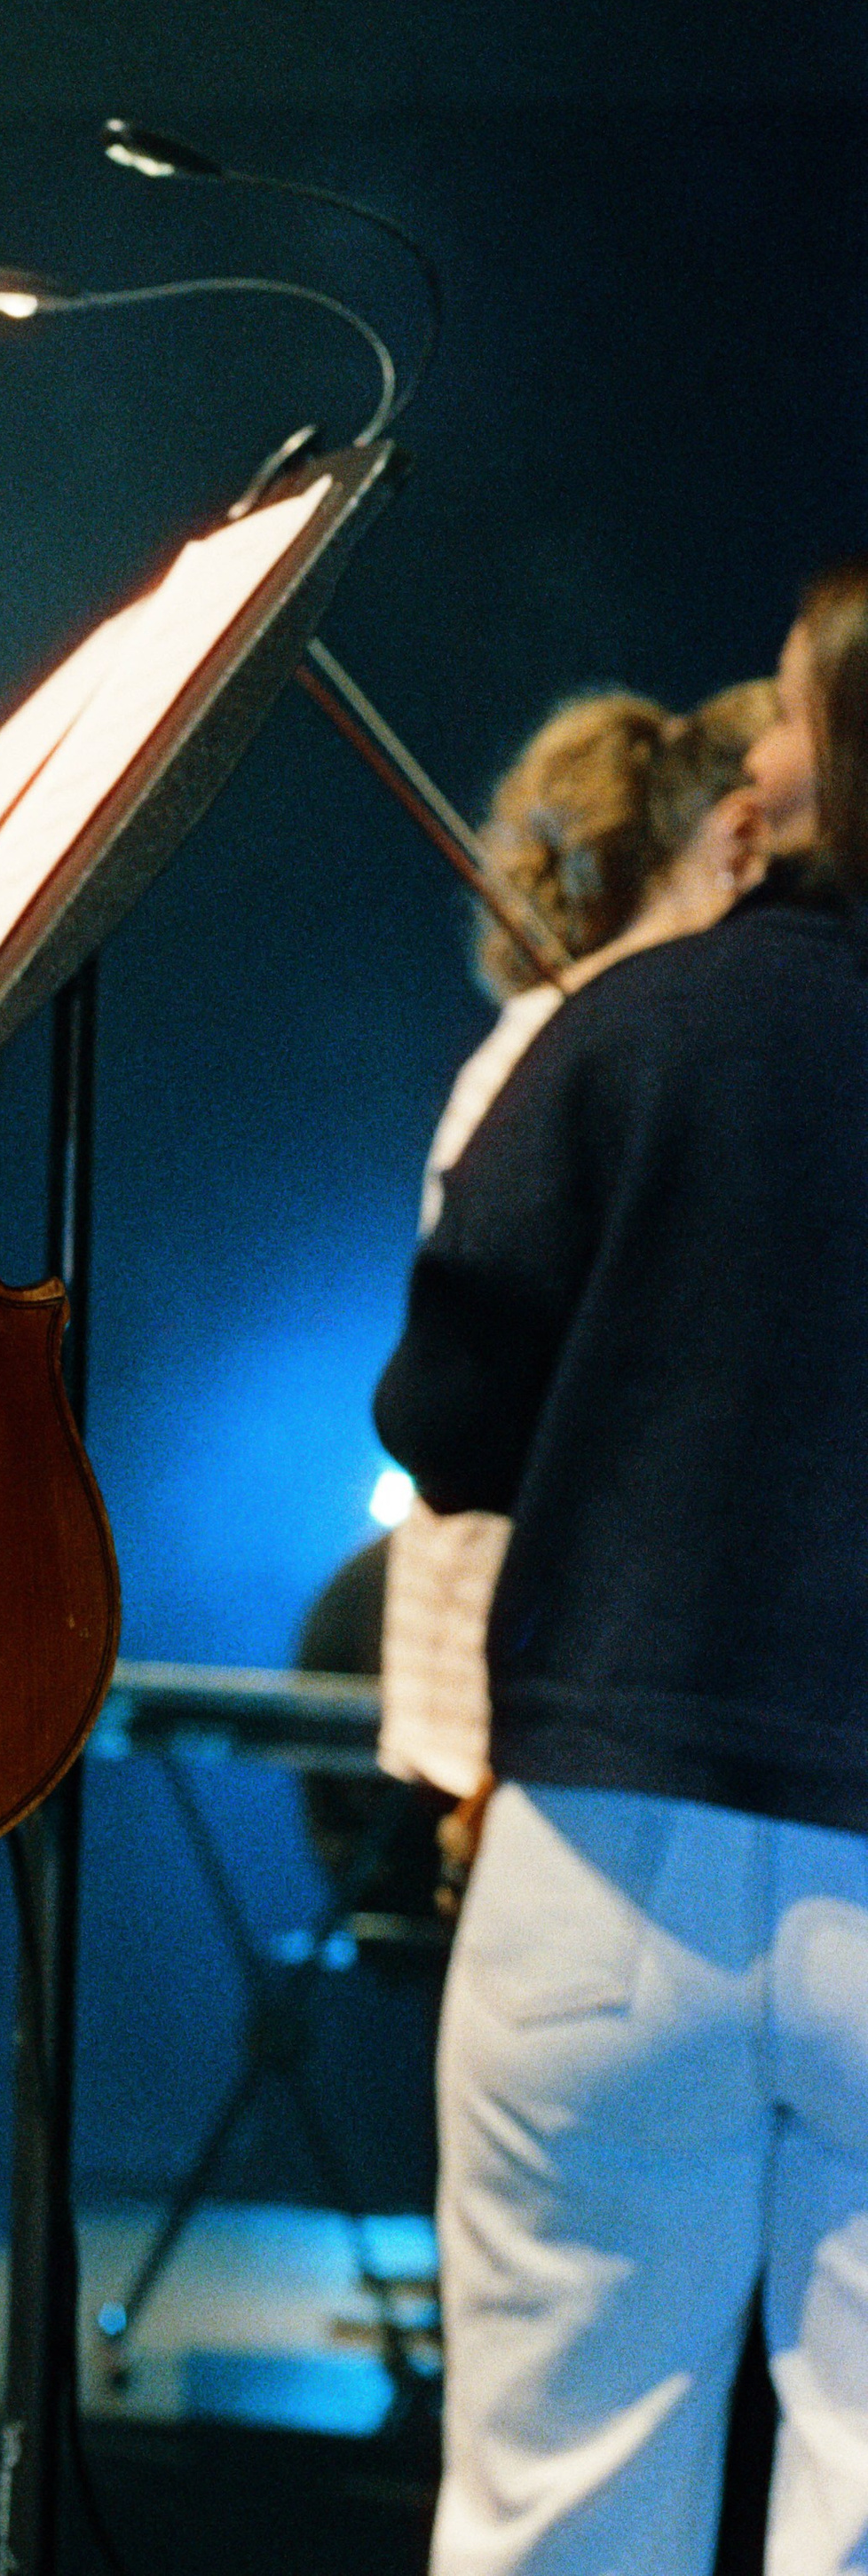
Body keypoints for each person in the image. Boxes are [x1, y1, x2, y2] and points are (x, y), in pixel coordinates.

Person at [374, 564, 868, 2575]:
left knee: (548, 2513)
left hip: (601, 1854)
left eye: (771, 709)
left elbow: (441, 1413)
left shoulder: (623, 1031)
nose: (739, 756)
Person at [375, 680, 772, 1814]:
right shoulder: (602, 1044)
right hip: (530, 1688)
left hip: (505, 1676)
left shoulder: (559, 1033)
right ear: (735, 844)